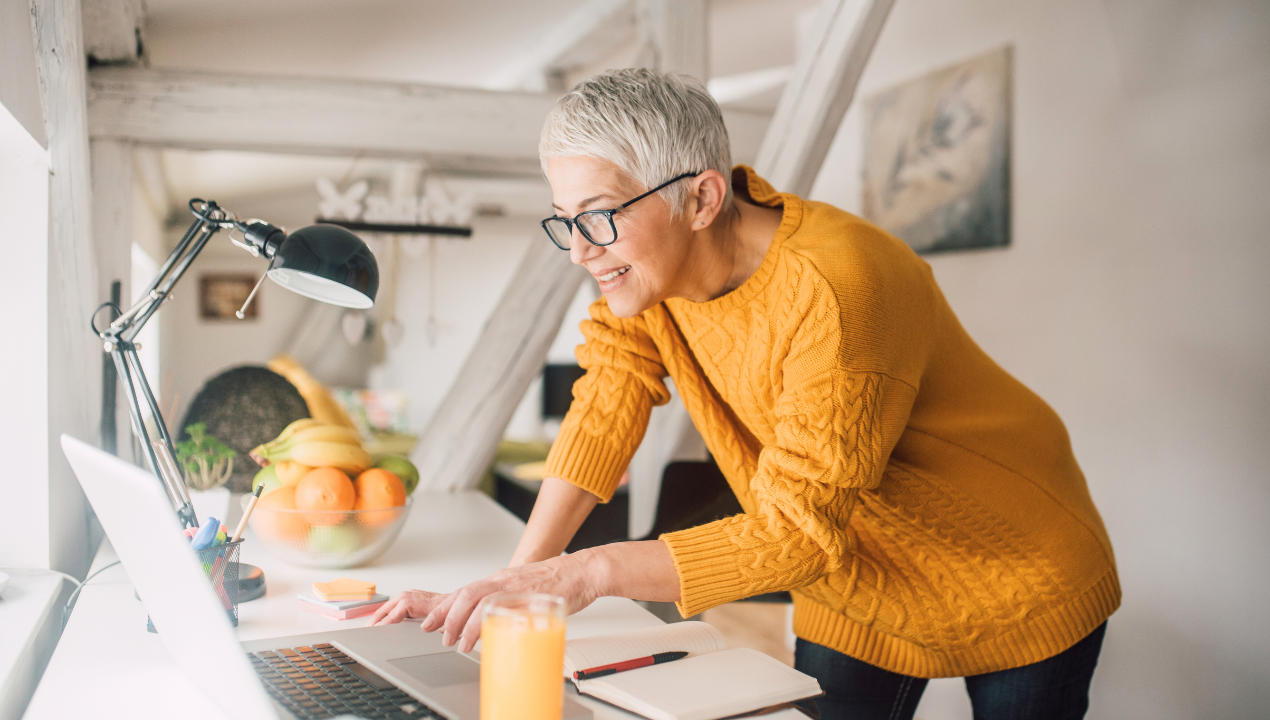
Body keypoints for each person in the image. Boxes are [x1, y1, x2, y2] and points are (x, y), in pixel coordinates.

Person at [370, 68, 1119, 720]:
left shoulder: (838, 289)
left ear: (700, 199)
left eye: (600, 215)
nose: (580, 248)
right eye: (566, 221)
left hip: (1009, 565)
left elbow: (794, 531)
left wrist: (587, 571)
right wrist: (516, 586)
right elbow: (611, 396)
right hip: (851, 574)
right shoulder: (648, 276)